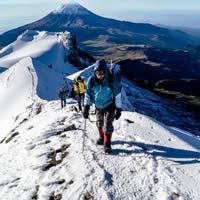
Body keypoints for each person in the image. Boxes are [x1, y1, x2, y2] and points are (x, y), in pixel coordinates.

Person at [83, 60, 122, 154]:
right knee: (99, 123)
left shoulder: (112, 80)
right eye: (98, 72)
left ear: (105, 71)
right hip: (98, 106)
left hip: (110, 105)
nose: (100, 74)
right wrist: (86, 107)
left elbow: (117, 95)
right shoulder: (91, 81)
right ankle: (101, 137)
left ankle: (107, 144)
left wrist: (118, 109)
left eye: (102, 72)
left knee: (108, 125)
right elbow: (87, 95)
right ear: (95, 72)